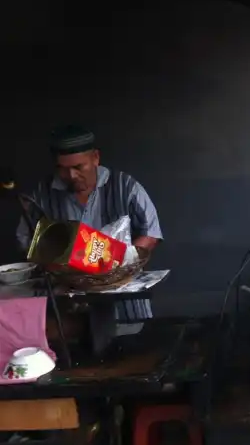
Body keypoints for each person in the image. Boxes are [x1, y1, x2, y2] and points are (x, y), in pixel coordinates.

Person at [17, 125, 163, 329]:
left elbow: (151, 233)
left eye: (79, 167)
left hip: (122, 300)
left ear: (95, 157)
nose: (72, 175)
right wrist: (59, 266)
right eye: (63, 168)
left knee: (128, 354)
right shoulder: (42, 194)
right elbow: (27, 241)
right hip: (66, 305)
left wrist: (116, 266)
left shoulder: (125, 186)